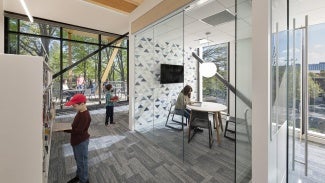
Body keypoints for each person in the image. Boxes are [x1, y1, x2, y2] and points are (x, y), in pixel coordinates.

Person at [64, 94, 91, 183]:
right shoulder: (80, 112)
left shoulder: (85, 116)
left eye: (74, 105)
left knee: (82, 162)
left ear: (82, 104)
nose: (73, 107)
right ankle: (79, 176)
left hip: (81, 142)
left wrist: (65, 129)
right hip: (76, 141)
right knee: (79, 160)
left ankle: (84, 180)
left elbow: (78, 131)